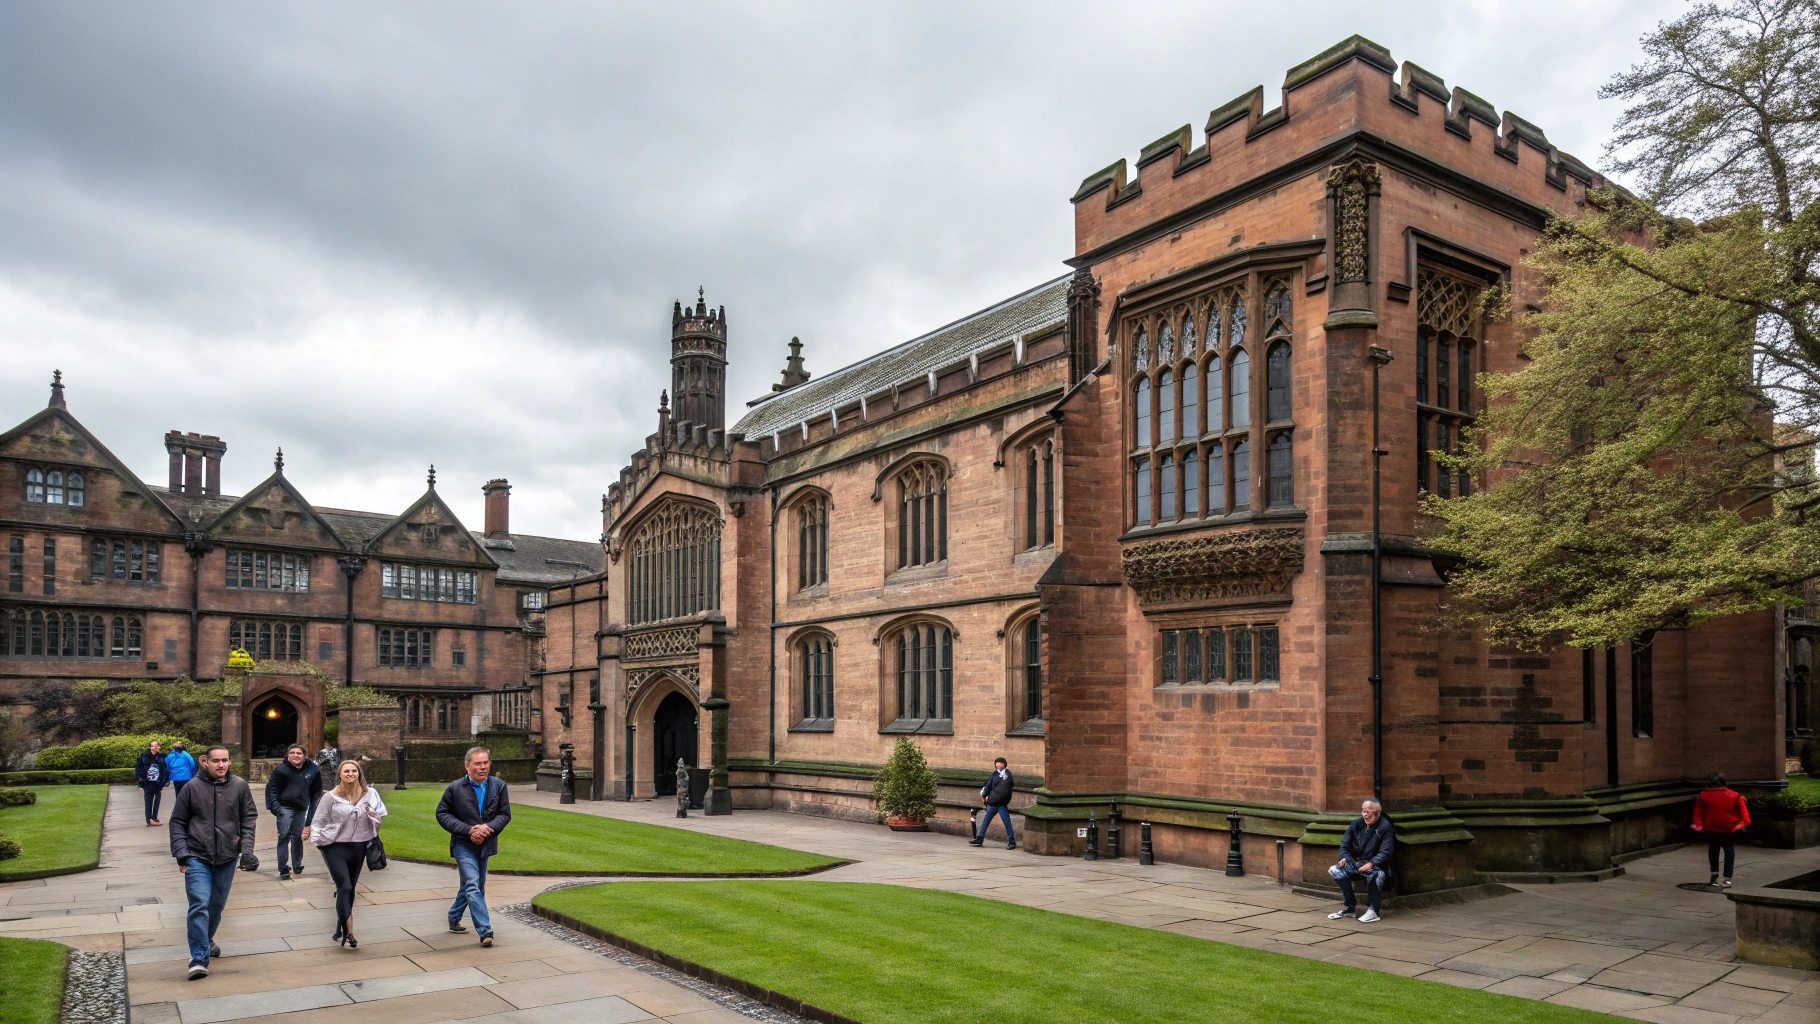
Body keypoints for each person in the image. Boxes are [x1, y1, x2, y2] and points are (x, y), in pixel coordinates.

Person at [168, 745, 257, 980]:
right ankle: (198, 959)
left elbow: (249, 818)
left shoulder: (239, 786)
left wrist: (246, 851)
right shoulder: (191, 788)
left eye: (225, 760)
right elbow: (177, 822)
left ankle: (206, 940)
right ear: (204, 761)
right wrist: (182, 853)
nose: (221, 765)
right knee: (199, 904)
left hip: (227, 856)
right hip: (197, 856)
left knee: (215, 906)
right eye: (216, 760)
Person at [436, 746, 511, 947]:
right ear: (467, 765)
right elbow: (442, 814)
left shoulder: (499, 785)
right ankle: (485, 930)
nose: (483, 767)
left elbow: (504, 815)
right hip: (463, 843)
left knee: (475, 885)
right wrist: (469, 830)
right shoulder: (454, 788)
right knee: (472, 883)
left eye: (486, 763)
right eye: (478, 763)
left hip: (485, 843)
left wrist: (487, 828)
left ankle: (453, 917)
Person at [310, 759, 386, 948]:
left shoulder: (370, 794)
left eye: (354, 770)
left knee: (350, 888)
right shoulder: (330, 797)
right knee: (343, 886)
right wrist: (320, 843)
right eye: (346, 771)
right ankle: (349, 932)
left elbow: (380, 814)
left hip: (359, 846)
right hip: (334, 846)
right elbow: (317, 822)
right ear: (340, 774)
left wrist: (372, 816)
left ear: (359, 773)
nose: (350, 774)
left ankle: (340, 926)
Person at [1327, 798, 1394, 924]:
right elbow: (1344, 846)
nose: (1366, 815)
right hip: (1356, 863)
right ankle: (1349, 907)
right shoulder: (1356, 825)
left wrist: (1371, 864)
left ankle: (1374, 910)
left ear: (1377, 813)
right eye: (1364, 811)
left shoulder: (1385, 827)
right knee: (1335, 870)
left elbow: (1385, 853)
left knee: (1377, 875)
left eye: (1369, 812)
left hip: (1376, 866)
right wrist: (1344, 858)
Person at [265, 744, 323, 881]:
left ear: (305, 756)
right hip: (285, 807)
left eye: (299, 753)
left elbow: (316, 791)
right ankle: (283, 867)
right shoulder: (281, 770)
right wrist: (277, 809)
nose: (295, 755)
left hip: (301, 808)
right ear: (287, 755)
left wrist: (312, 809)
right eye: (292, 753)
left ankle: (297, 864)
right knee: (284, 835)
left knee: (297, 836)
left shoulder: (313, 769)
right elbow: (271, 791)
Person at [1692, 771, 1750, 887]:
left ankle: (1714, 875)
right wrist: (1743, 823)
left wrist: (1698, 824)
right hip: (1728, 827)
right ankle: (1727, 878)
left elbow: (1697, 812)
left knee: (1713, 849)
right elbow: (1743, 813)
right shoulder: (1734, 795)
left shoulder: (1703, 795)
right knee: (1729, 849)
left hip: (1711, 827)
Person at [969, 757, 1017, 850]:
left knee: (1007, 822)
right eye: (997, 763)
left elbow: (1005, 788)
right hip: (993, 803)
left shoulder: (1007, 774)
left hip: (1001, 804)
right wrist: (984, 794)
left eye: (1000, 763)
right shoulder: (994, 774)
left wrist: (991, 797)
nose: (998, 765)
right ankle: (979, 838)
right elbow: (988, 786)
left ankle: (1012, 841)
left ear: (1004, 764)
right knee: (985, 821)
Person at [135, 739, 170, 826]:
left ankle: (154, 817)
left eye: (155, 746)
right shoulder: (143, 757)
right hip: (148, 783)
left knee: (157, 799)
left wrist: (165, 780)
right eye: (152, 746)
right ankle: (149, 819)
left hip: (158, 783)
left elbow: (165, 770)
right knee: (148, 800)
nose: (154, 747)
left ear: (159, 747)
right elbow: (138, 769)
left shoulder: (162, 757)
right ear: (150, 747)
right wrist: (141, 780)